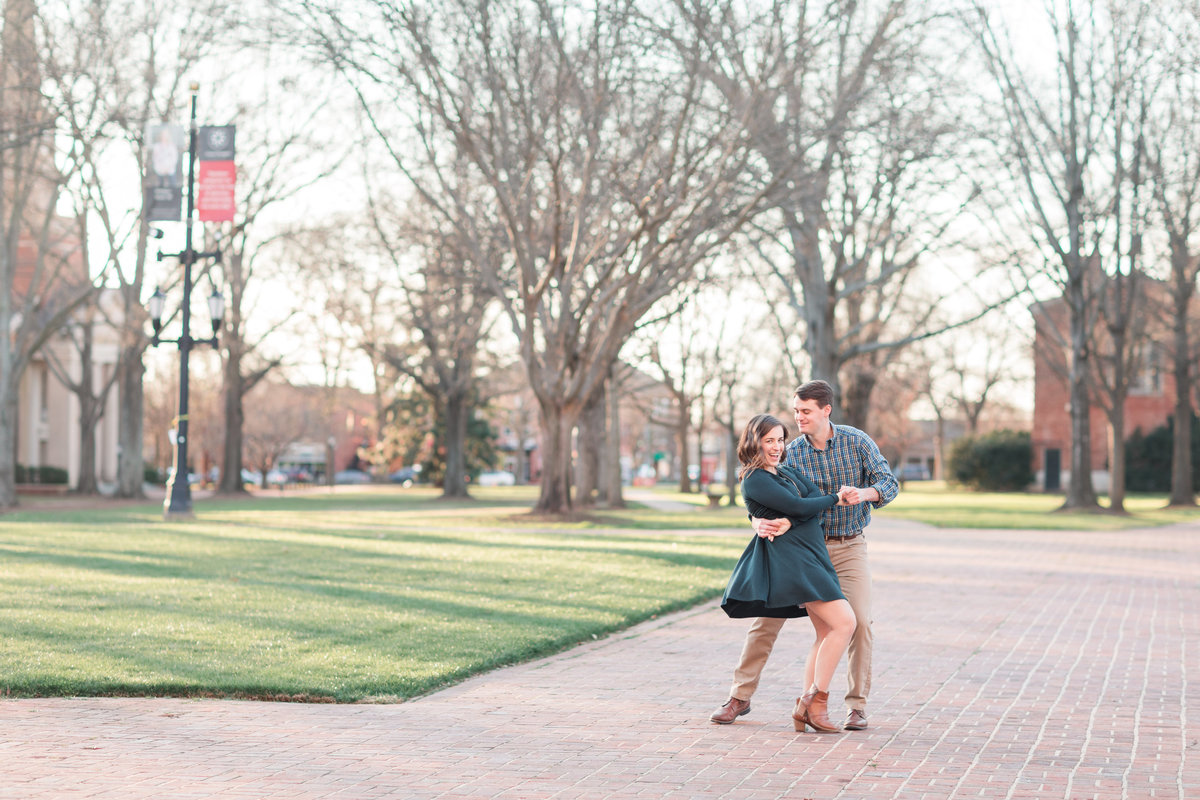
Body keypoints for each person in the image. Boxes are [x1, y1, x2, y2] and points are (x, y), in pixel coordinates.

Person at [711, 379, 898, 731]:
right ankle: (740, 696)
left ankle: (855, 706)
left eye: (805, 411)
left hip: (848, 544)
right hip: (800, 549)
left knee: (857, 622)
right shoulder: (790, 451)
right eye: (796, 411)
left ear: (826, 410)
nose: (798, 418)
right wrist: (755, 521)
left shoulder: (856, 441)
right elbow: (766, 494)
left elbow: (889, 483)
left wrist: (866, 492)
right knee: (766, 622)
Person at [719, 413, 857, 732]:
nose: (777, 446)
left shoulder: (786, 471)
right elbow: (802, 505)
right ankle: (812, 701)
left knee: (826, 631)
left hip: (811, 554)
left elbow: (805, 502)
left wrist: (798, 512)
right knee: (844, 622)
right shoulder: (755, 478)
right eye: (769, 441)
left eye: (780, 439)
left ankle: (806, 706)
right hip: (794, 561)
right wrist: (833, 498)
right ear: (754, 442)